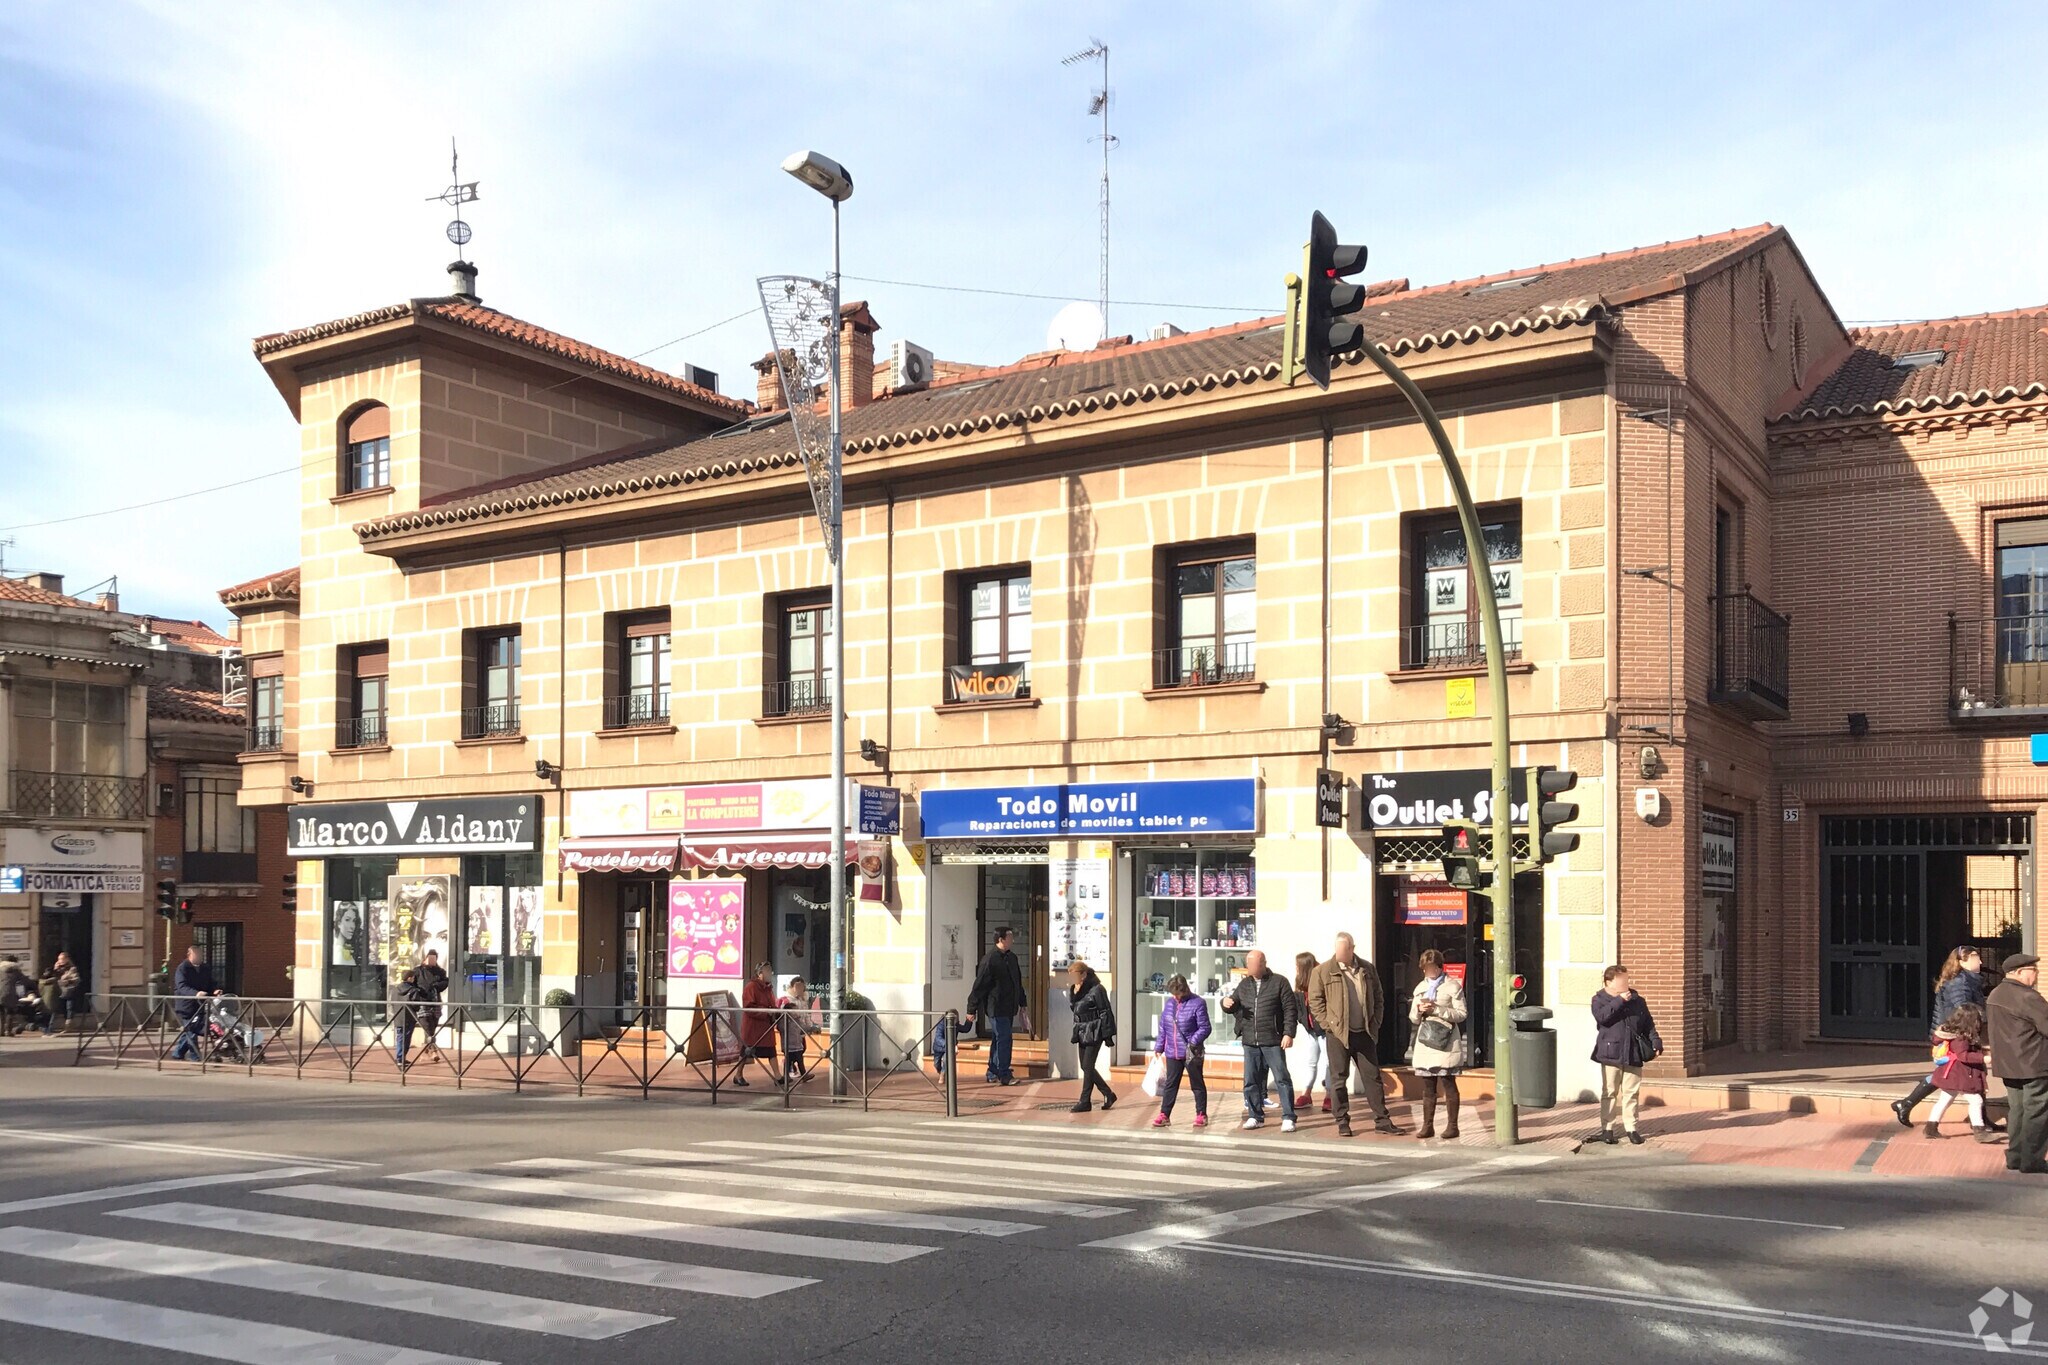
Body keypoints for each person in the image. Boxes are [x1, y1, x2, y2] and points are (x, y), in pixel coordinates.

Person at [1305, 932, 1398, 1137]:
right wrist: (1328, 1024)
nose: (1339, 956)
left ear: (1352, 949)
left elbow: (1379, 997)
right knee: (1338, 1079)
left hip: (1364, 1032)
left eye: (1343, 952)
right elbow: (1315, 1002)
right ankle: (1342, 1122)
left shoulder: (1367, 968)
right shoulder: (1322, 971)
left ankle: (1382, 1120)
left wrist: (1375, 1023)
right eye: (1336, 952)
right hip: (1338, 1034)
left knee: (1373, 1077)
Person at [1893, 945, 1989, 1126]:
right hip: (1955, 1036)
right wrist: (1983, 1017)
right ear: (1962, 961)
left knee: (1962, 1072)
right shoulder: (1959, 983)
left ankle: (1982, 1118)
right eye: (1976, 957)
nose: (1981, 961)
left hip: (1959, 1033)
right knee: (1949, 1073)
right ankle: (1906, 1103)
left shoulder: (1968, 980)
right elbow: (1964, 1010)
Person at [1223, 949, 1298, 1132]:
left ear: (1263, 964)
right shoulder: (1244, 984)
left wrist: (1288, 1033)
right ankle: (1255, 1115)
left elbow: (1290, 1009)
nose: (1249, 968)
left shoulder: (1279, 982)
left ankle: (1288, 1117)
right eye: (1248, 964)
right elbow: (1233, 1004)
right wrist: (1225, 1004)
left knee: (1282, 1078)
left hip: (1272, 1039)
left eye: (1253, 964)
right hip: (1250, 1040)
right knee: (1250, 1080)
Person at [1987, 953, 2048, 1175]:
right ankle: (2032, 1160)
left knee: (2018, 1110)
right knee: (2037, 1112)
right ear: (2020, 972)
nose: (2037, 975)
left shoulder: (1996, 994)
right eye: (2034, 971)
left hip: (2008, 1064)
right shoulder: (2027, 997)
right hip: (2034, 1064)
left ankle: (2015, 1156)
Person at [1589, 964, 1661, 1145]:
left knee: (1632, 1092)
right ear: (1609, 982)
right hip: (1611, 1051)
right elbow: (1602, 1018)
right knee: (1610, 1091)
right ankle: (1607, 1129)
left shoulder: (1637, 1000)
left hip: (1633, 1051)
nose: (1626, 983)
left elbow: (1648, 1024)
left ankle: (1631, 1128)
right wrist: (1620, 1001)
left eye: (1627, 979)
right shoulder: (1599, 1000)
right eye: (1622, 980)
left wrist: (1656, 1041)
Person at [1408, 949, 1469, 1140]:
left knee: (1448, 1083)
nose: (1429, 971)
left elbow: (1461, 1014)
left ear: (1439, 966)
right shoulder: (1419, 988)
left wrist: (1438, 1009)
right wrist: (1419, 1009)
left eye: (1432, 967)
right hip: (1426, 1041)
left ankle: (1453, 1126)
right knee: (1428, 1086)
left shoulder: (1452, 986)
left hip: (1446, 1041)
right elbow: (1413, 1018)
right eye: (1426, 968)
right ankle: (1427, 1126)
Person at [1922, 1002, 2001, 1143]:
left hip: (1950, 1074)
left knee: (1944, 1100)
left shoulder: (1953, 1034)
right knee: (1976, 1100)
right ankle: (1980, 1131)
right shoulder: (1962, 1038)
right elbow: (1963, 1056)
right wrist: (1984, 1058)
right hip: (1962, 1075)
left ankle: (1930, 1127)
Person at [966, 927, 1025, 1086]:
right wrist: (971, 1008)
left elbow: (1017, 982)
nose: (1012, 940)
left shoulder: (1012, 958)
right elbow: (979, 985)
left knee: (999, 1039)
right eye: (1010, 937)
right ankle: (1004, 1074)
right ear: (1001, 939)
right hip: (995, 1006)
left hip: (1009, 1006)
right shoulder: (990, 959)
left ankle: (992, 1071)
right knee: (1004, 1039)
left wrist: (1022, 1002)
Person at [1151, 974, 1211, 1128]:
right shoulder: (1169, 1004)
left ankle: (1201, 1114)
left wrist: (1193, 1041)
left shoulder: (1198, 1003)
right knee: (1170, 1084)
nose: (1175, 997)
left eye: (1178, 993)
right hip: (1172, 1051)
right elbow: (1164, 1027)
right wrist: (1159, 1046)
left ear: (1185, 990)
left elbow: (1205, 1027)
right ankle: (1165, 1114)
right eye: (1173, 993)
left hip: (1191, 1051)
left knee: (1196, 1083)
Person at [1066, 959, 1119, 1113]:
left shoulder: (1097, 989)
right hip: (1081, 1030)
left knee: (1088, 1065)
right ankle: (1108, 1093)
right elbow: (1075, 1009)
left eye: (1074, 975)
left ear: (1083, 974)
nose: (1072, 979)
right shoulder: (1075, 989)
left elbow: (1105, 1011)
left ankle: (1084, 1101)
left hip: (1096, 1030)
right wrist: (1074, 992)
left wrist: (1108, 1035)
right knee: (1085, 1066)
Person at [1291, 952, 1330, 1114]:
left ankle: (1330, 1095)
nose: (1296, 968)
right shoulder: (1300, 983)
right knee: (1311, 1061)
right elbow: (1298, 1006)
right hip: (1311, 1030)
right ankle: (1306, 1094)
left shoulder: (1321, 979)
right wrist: (1302, 1020)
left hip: (1325, 1030)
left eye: (1298, 965)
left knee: (1329, 1062)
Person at [169, 946, 218, 1061]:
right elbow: (181, 986)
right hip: (186, 1005)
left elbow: (211, 982)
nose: (199, 957)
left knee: (190, 1030)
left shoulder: (205, 968)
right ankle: (195, 1057)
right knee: (192, 1030)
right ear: (189, 955)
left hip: (201, 1005)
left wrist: (215, 990)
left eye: (200, 955)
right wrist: (195, 993)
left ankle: (178, 1053)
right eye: (196, 955)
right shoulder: (182, 968)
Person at [738, 961, 777, 1086]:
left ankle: (778, 1076)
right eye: (767, 971)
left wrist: (775, 1011)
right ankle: (738, 1074)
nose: (770, 973)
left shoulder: (768, 987)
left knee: (771, 1050)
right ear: (760, 973)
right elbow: (748, 1006)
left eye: (770, 970)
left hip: (766, 1025)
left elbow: (772, 1003)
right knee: (746, 1051)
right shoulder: (751, 987)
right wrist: (766, 1012)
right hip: (753, 1026)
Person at [778, 977, 819, 1087]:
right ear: (792, 987)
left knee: (801, 1050)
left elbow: (805, 1014)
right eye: (798, 986)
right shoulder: (786, 1000)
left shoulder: (802, 1000)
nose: (800, 989)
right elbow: (781, 1019)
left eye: (802, 987)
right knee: (793, 1055)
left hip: (798, 1031)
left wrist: (809, 1027)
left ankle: (797, 1070)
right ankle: (791, 1071)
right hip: (789, 1035)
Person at [414, 949, 449, 1063]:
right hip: (422, 1002)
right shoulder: (418, 971)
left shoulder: (440, 971)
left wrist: (436, 986)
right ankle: (434, 1052)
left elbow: (445, 982)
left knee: (432, 1028)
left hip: (435, 1002)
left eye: (434, 958)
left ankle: (425, 1051)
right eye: (430, 957)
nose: (432, 960)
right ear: (425, 958)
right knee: (427, 1027)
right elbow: (412, 984)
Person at [0, 958, 50, 1036]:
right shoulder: (15, 970)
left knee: (1, 1012)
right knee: (9, 1012)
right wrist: (35, 984)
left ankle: (1, 1031)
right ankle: (8, 1031)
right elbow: (25, 981)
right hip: (9, 993)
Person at [391, 968, 429, 1068]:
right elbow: (416, 1005)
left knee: (399, 1037)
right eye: (413, 977)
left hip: (398, 1017)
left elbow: (392, 1003)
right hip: (409, 1017)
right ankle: (400, 1058)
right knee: (406, 1038)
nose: (414, 979)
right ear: (409, 978)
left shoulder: (395, 989)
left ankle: (400, 1058)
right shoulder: (413, 990)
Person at [48, 952, 84, 1032]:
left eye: (62, 959)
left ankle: (68, 1026)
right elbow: (51, 977)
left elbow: (76, 979)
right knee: (56, 1008)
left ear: (67, 959)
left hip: (69, 991)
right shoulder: (56, 969)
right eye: (59, 959)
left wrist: (66, 981)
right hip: (58, 992)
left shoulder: (72, 968)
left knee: (69, 1008)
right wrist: (55, 969)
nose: (61, 961)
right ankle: (50, 1026)